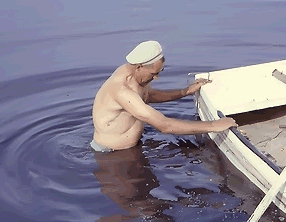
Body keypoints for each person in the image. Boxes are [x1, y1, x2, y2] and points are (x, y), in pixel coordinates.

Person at [91, 40, 236, 152]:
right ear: (139, 67)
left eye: (159, 72)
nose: (156, 78)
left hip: (135, 146)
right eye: (153, 74)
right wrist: (214, 125)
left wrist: (184, 92)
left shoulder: (136, 77)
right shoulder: (122, 90)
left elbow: (149, 95)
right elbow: (165, 125)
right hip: (112, 155)